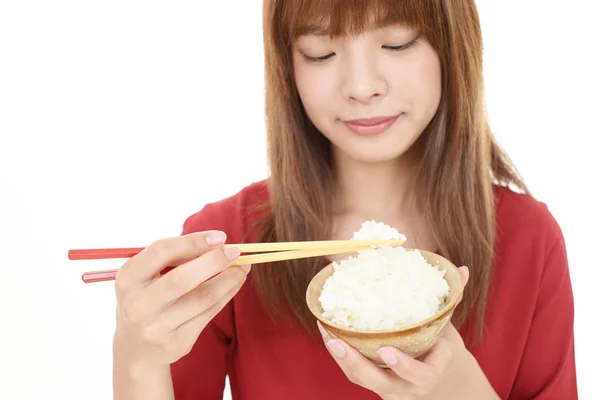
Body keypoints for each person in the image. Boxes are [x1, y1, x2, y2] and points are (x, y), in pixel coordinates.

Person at [111, 0, 578, 399]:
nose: (361, 86)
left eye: (397, 42)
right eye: (321, 52)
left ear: (452, 46)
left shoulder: (528, 239)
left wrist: (459, 388)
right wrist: (138, 358)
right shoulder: (227, 246)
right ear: (286, 64)